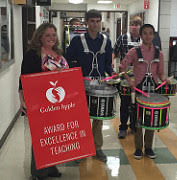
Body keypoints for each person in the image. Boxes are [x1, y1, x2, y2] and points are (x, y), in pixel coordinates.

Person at [19, 23, 68, 180]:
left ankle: (51, 167)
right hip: (39, 103)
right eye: (48, 35)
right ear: (40, 36)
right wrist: (23, 100)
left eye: (54, 35)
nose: (51, 38)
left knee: (54, 136)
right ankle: (37, 173)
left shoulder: (58, 52)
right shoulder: (32, 54)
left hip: (57, 102)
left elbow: (66, 77)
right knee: (41, 138)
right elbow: (23, 80)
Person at [65, 9, 115, 163]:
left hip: (99, 83)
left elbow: (107, 64)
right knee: (81, 118)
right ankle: (80, 150)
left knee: (98, 118)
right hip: (81, 83)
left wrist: (113, 75)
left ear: (101, 22)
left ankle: (97, 148)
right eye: (92, 21)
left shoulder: (106, 41)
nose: (95, 24)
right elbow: (67, 60)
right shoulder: (76, 40)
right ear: (86, 21)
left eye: (98, 21)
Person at [119, 24, 169, 159]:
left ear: (154, 35)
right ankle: (138, 148)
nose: (148, 36)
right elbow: (122, 67)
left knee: (151, 119)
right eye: (145, 33)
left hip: (153, 90)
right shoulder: (134, 52)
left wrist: (165, 80)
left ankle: (149, 148)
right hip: (138, 90)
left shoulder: (159, 53)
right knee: (138, 120)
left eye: (151, 33)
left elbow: (161, 73)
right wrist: (129, 80)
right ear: (141, 35)